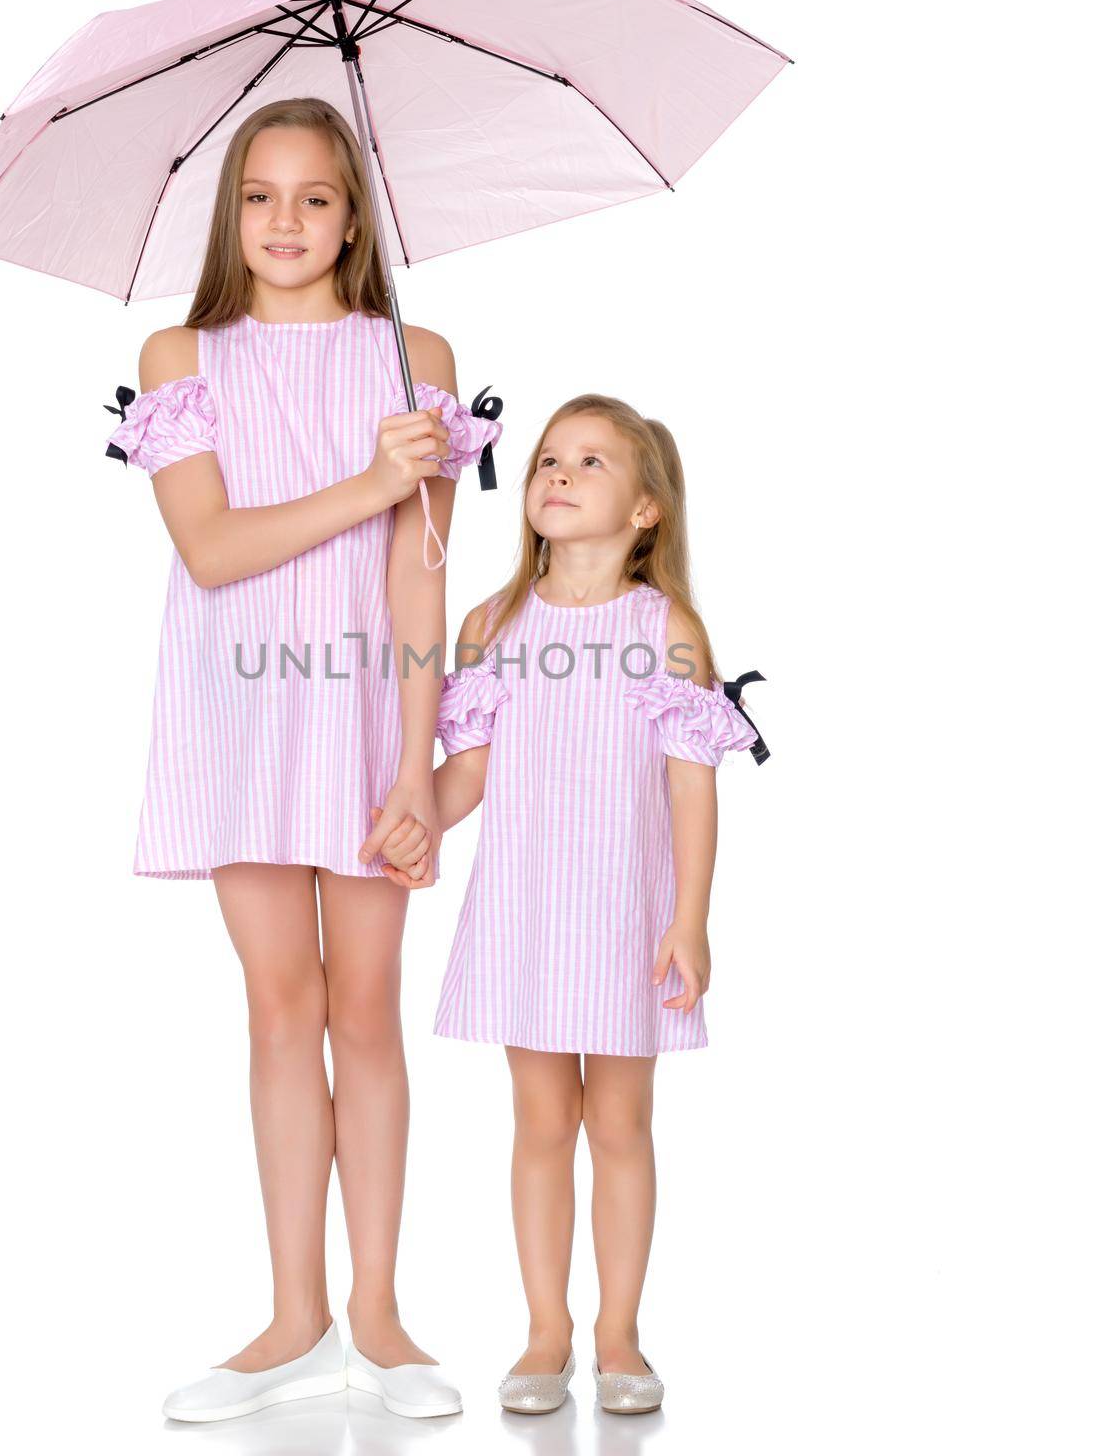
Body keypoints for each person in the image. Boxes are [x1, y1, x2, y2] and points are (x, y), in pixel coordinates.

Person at [105, 96, 503, 1423]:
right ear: (231, 214)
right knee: (279, 1006)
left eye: (314, 198)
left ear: (353, 214)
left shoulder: (415, 358)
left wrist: (413, 763)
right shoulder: (180, 356)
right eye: (260, 198)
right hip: (236, 708)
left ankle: (380, 1314)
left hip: (360, 718)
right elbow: (212, 549)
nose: (285, 223)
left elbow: (418, 581)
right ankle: (294, 1316)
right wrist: (370, 480)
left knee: (364, 1007)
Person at [375, 394, 765, 1415]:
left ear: (645, 510)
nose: (556, 473)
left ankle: (618, 1330)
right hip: (524, 907)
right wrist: (422, 824)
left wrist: (688, 917)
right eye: (548, 457)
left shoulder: (663, 627)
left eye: (590, 462)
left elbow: (690, 780)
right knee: (540, 1121)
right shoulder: (491, 624)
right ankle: (545, 1329)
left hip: (622, 913)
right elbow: (468, 770)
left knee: (621, 1123)